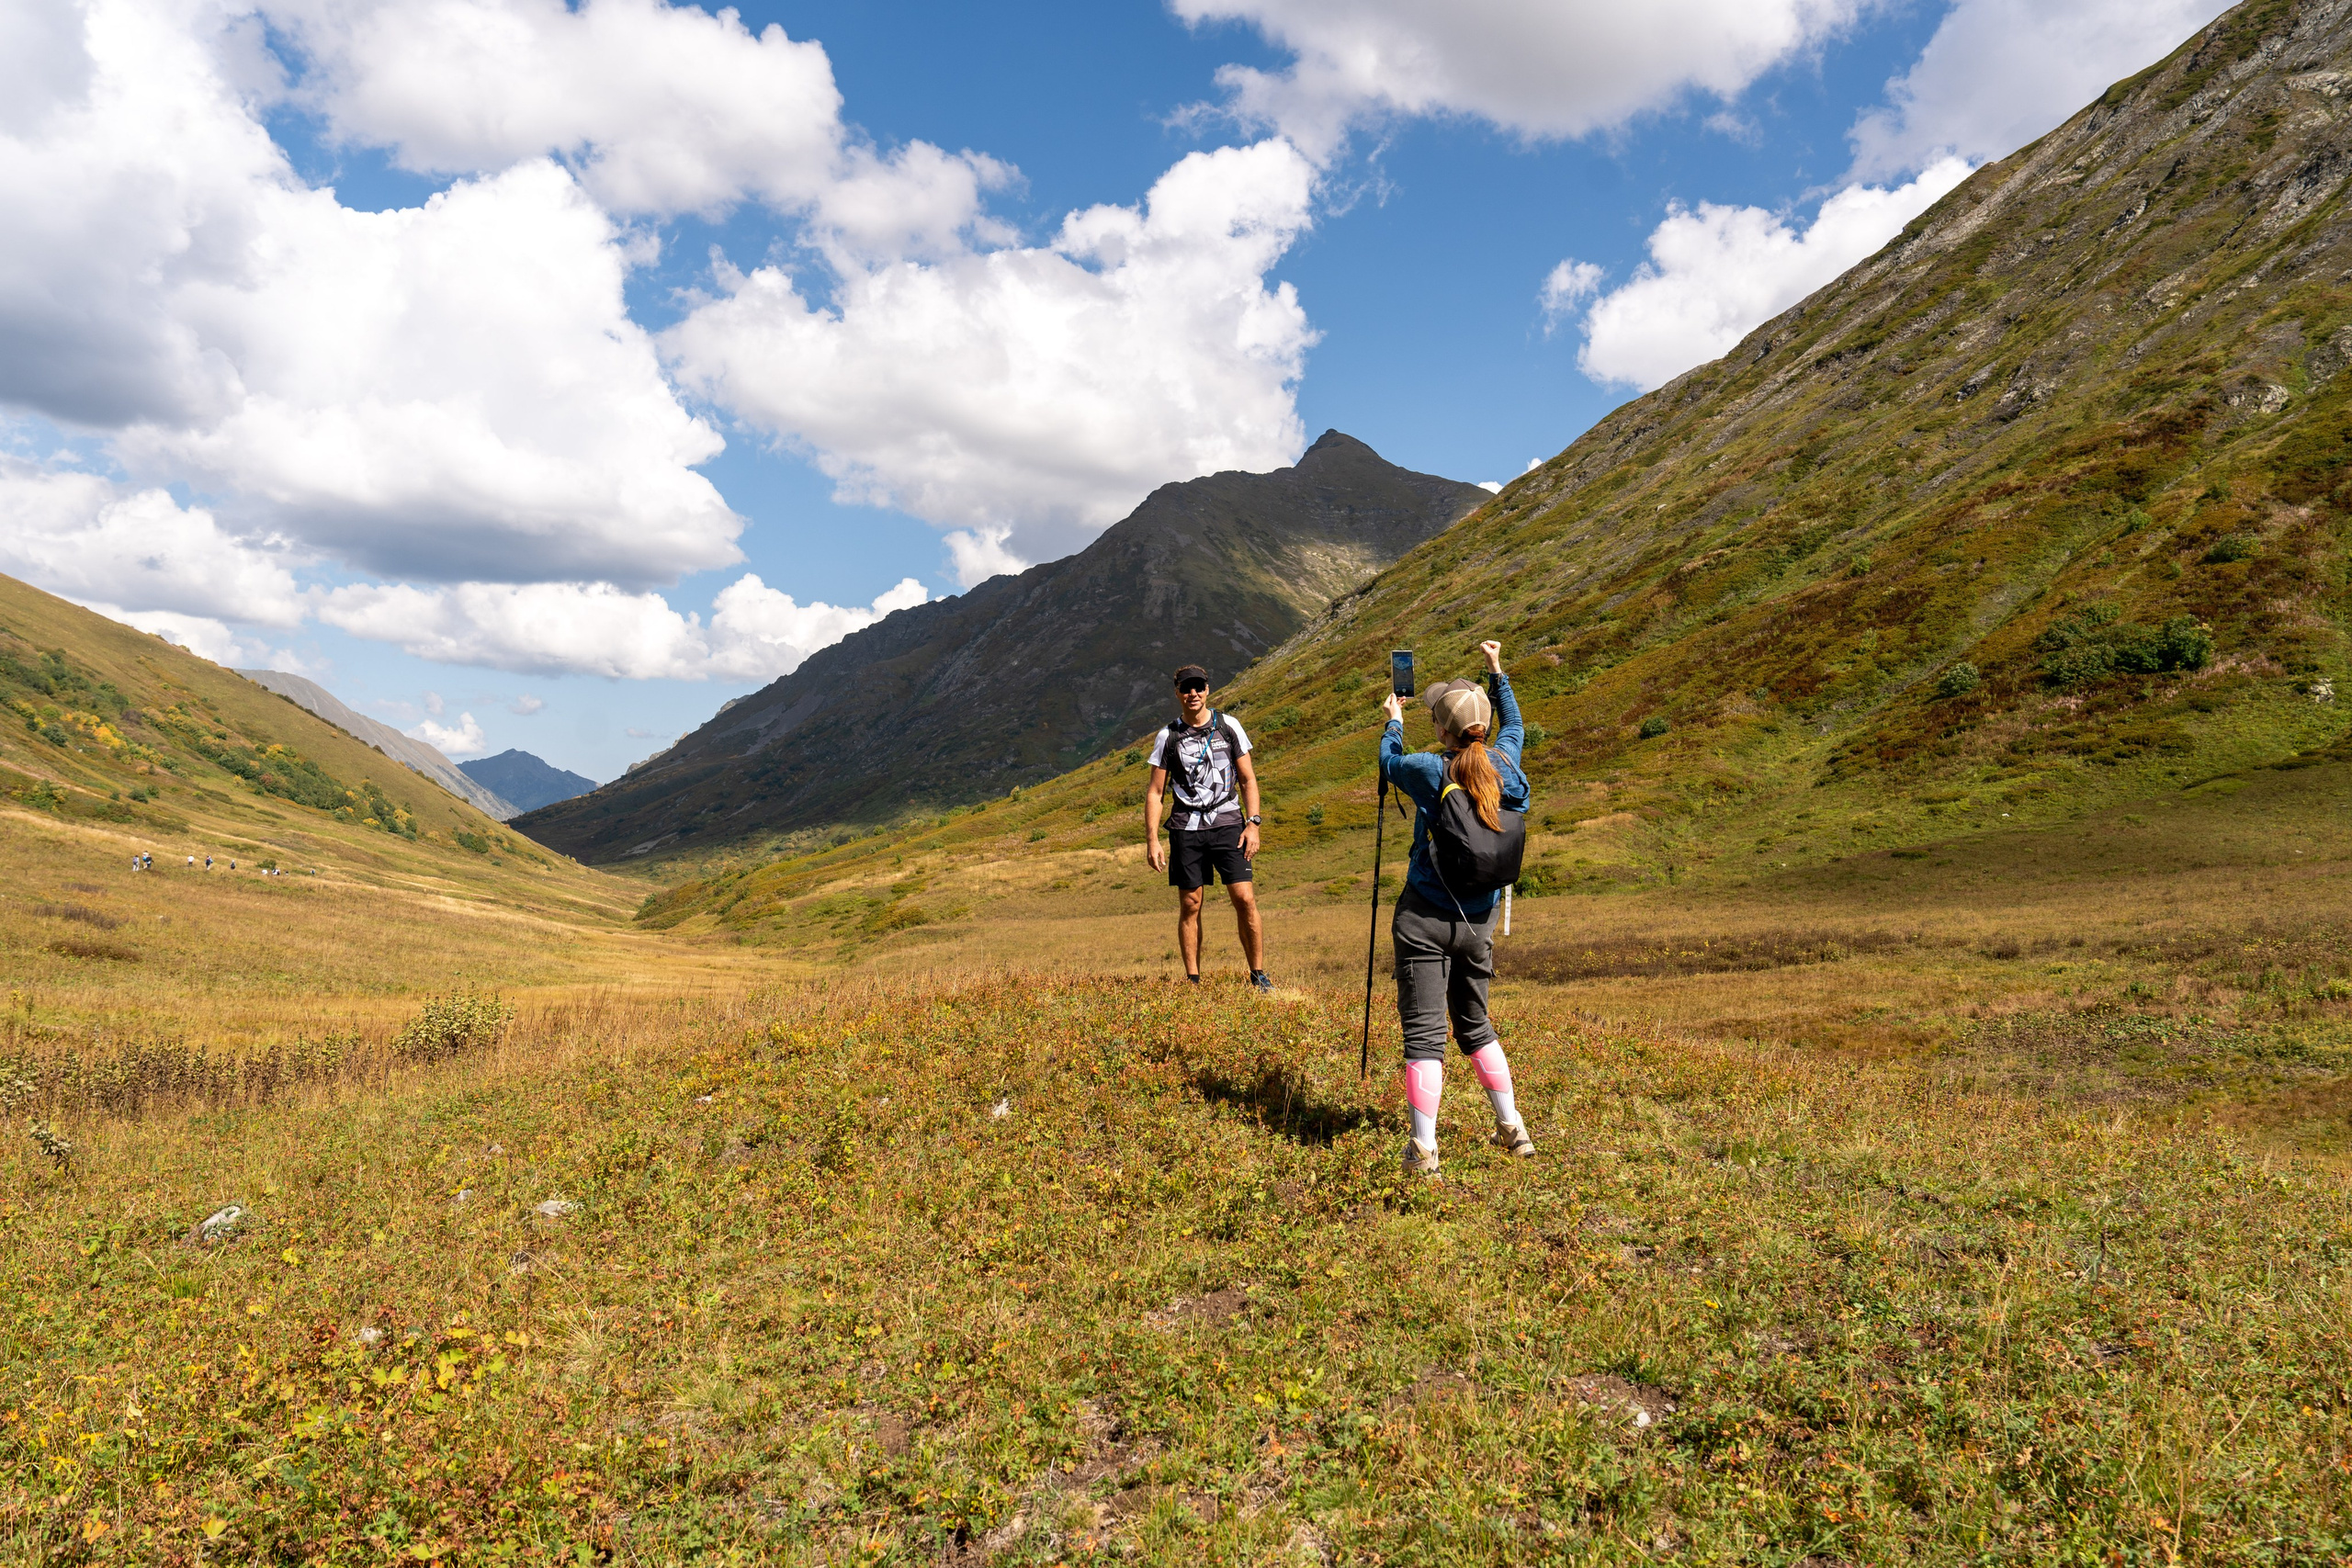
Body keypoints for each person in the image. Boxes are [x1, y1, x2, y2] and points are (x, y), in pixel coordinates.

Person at [1377, 639, 1534, 1176]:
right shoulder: (1507, 763)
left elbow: (1389, 764)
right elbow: (1515, 724)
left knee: (1423, 1036)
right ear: (1485, 727)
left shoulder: (1429, 768)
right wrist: (1497, 671)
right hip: (1480, 920)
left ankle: (1423, 1150)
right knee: (1476, 1025)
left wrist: (1393, 722)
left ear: (1442, 730)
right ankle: (1512, 1126)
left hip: (1423, 916)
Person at [1144, 664, 1272, 992]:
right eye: (1186, 688)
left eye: (1199, 687)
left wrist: (1253, 824)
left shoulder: (1229, 726)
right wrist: (1152, 840)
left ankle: (1258, 976)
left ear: (1208, 689)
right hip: (1186, 828)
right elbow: (1156, 792)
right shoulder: (1167, 736)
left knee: (1244, 898)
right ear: (1177, 693)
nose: (1193, 694)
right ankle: (1193, 981)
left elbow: (1248, 780)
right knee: (1190, 903)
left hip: (1229, 823)